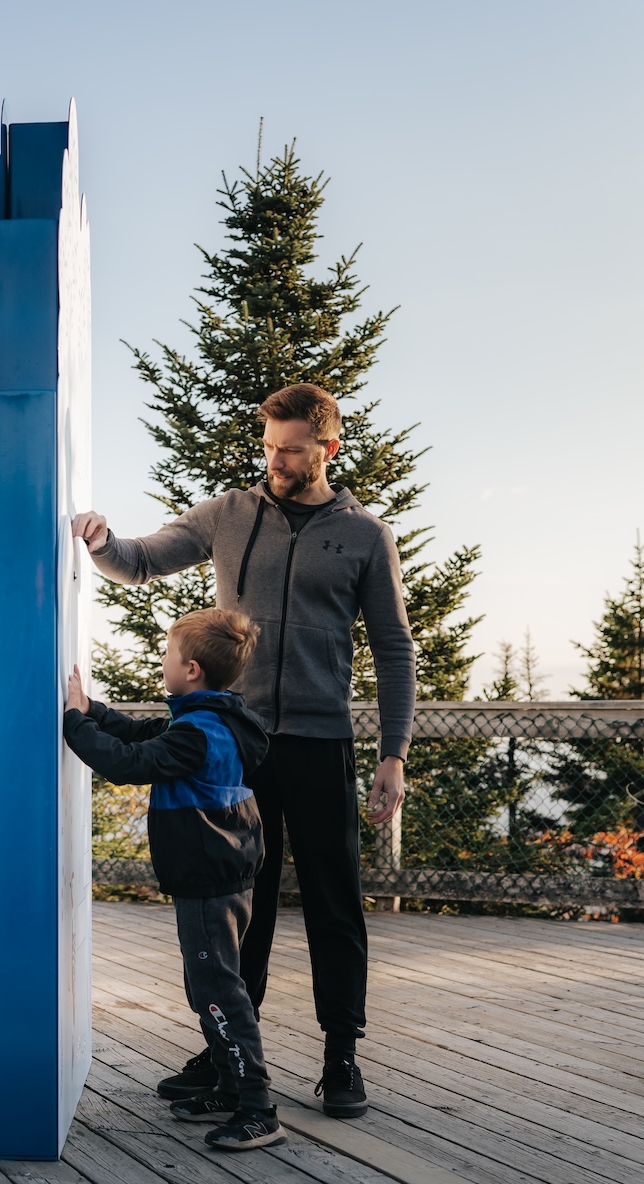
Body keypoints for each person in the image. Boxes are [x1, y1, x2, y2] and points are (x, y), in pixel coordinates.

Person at [70, 382, 414, 1119]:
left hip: (321, 744)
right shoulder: (229, 514)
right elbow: (140, 560)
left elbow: (394, 649)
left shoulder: (364, 536)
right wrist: (101, 540)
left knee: (334, 902)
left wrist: (394, 753)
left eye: (291, 450)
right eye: (269, 448)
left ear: (329, 446)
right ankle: (229, 1053)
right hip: (239, 745)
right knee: (238, 901)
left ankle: (341, 1053)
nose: (276, 462)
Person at [62, 609, 281, 1151]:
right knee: (207, 986)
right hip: (222, 875)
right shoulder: (214, 720)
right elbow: (144, 732)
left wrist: (73, 721)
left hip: (209, 882)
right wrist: (94, 709)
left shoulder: (199, 732)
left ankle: (258, 1107)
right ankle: (230, 1088)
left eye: (166, 656)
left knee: (217, 992)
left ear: (191, 669)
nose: (161, 664)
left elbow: (127, 761)